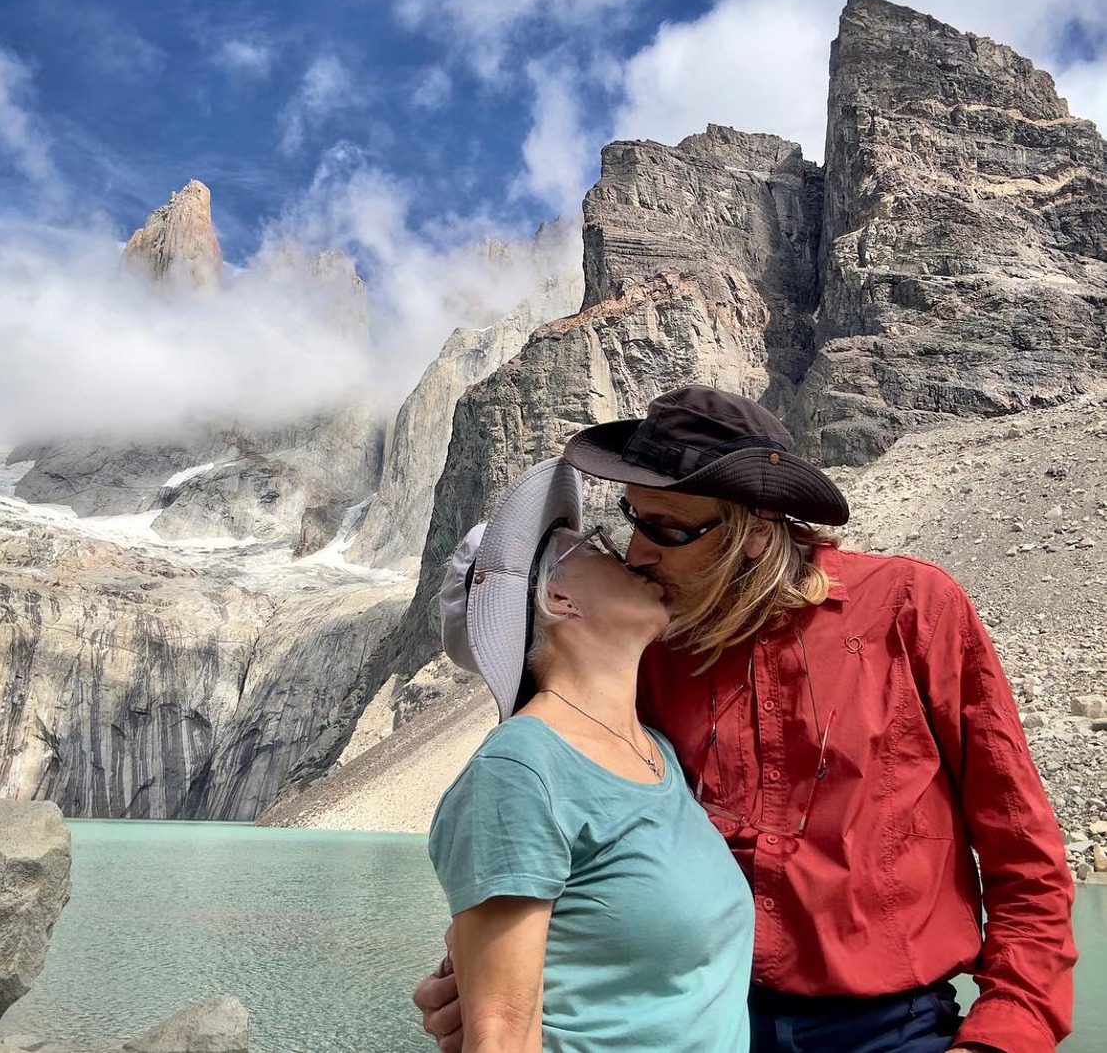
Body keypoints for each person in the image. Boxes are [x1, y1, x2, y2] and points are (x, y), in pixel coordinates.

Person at [416, 386, 1077, 1053]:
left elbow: (1021, 850)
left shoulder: (913, 608)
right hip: (708, 1024)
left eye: (669, 528)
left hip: (895, 1031)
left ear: (757, 531)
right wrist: (479, 978)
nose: (637, 553)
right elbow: (570, 845)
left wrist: (1004, 1033)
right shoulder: (642, 652)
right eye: (633, 517)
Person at [427, 457, 755, 1052]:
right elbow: (502, 1034)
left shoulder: (653, 751)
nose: (630, 553)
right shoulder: (520, 769)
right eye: (595, 546)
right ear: (559, 598)